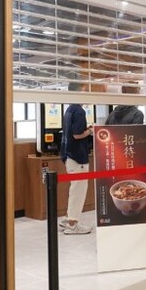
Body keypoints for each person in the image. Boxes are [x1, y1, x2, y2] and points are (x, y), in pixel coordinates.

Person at [59, 97, 93, 235]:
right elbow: (77, 135)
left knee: (74, 189)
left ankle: (70, 217)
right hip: (77, 157)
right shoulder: (79, 111)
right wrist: (91, 131)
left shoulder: (69, 109)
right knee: (78, 190)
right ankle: (73, 224)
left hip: (68, 155)